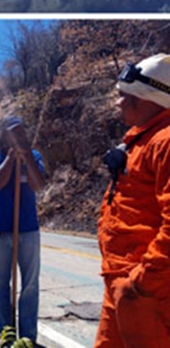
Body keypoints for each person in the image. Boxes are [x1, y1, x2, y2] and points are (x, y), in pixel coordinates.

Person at [95, 55, 170, 347]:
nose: (117, 103)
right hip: (122, 285)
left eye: (122, 96)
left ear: (145, 98)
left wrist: (141, 282)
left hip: (148, 292)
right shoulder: (142, 139)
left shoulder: (164, 142)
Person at [0, 115, 45, 345]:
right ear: (3, 135)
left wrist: (27, 156)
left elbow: (38, 185)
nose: (18, 136)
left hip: (28, 230)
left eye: (21, 132)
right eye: (13, 132)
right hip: (1, 229)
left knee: (30, 285)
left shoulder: (35, 156)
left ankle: (27, 337)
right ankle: (5, 333)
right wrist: (11, 158)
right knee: (0, 284)